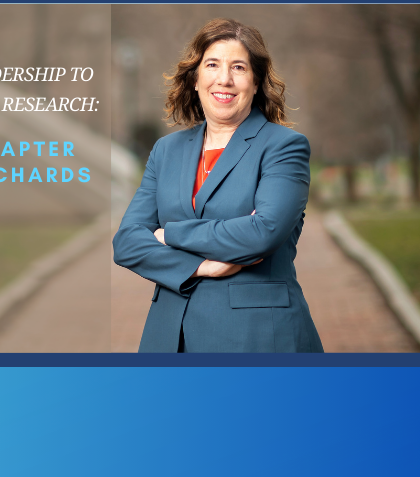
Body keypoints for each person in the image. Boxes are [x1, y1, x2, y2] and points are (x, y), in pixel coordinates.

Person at [113, 18, 324, 353]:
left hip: (255, 337)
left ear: (256, 82)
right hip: (169, 338)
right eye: (212, 64)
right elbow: (126, 242)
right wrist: (201, 266)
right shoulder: (166, 151)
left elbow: (262, 232)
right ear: (195, 79)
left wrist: (169, 234)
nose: (224, 78)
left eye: (238, 67)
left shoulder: (283, 146)